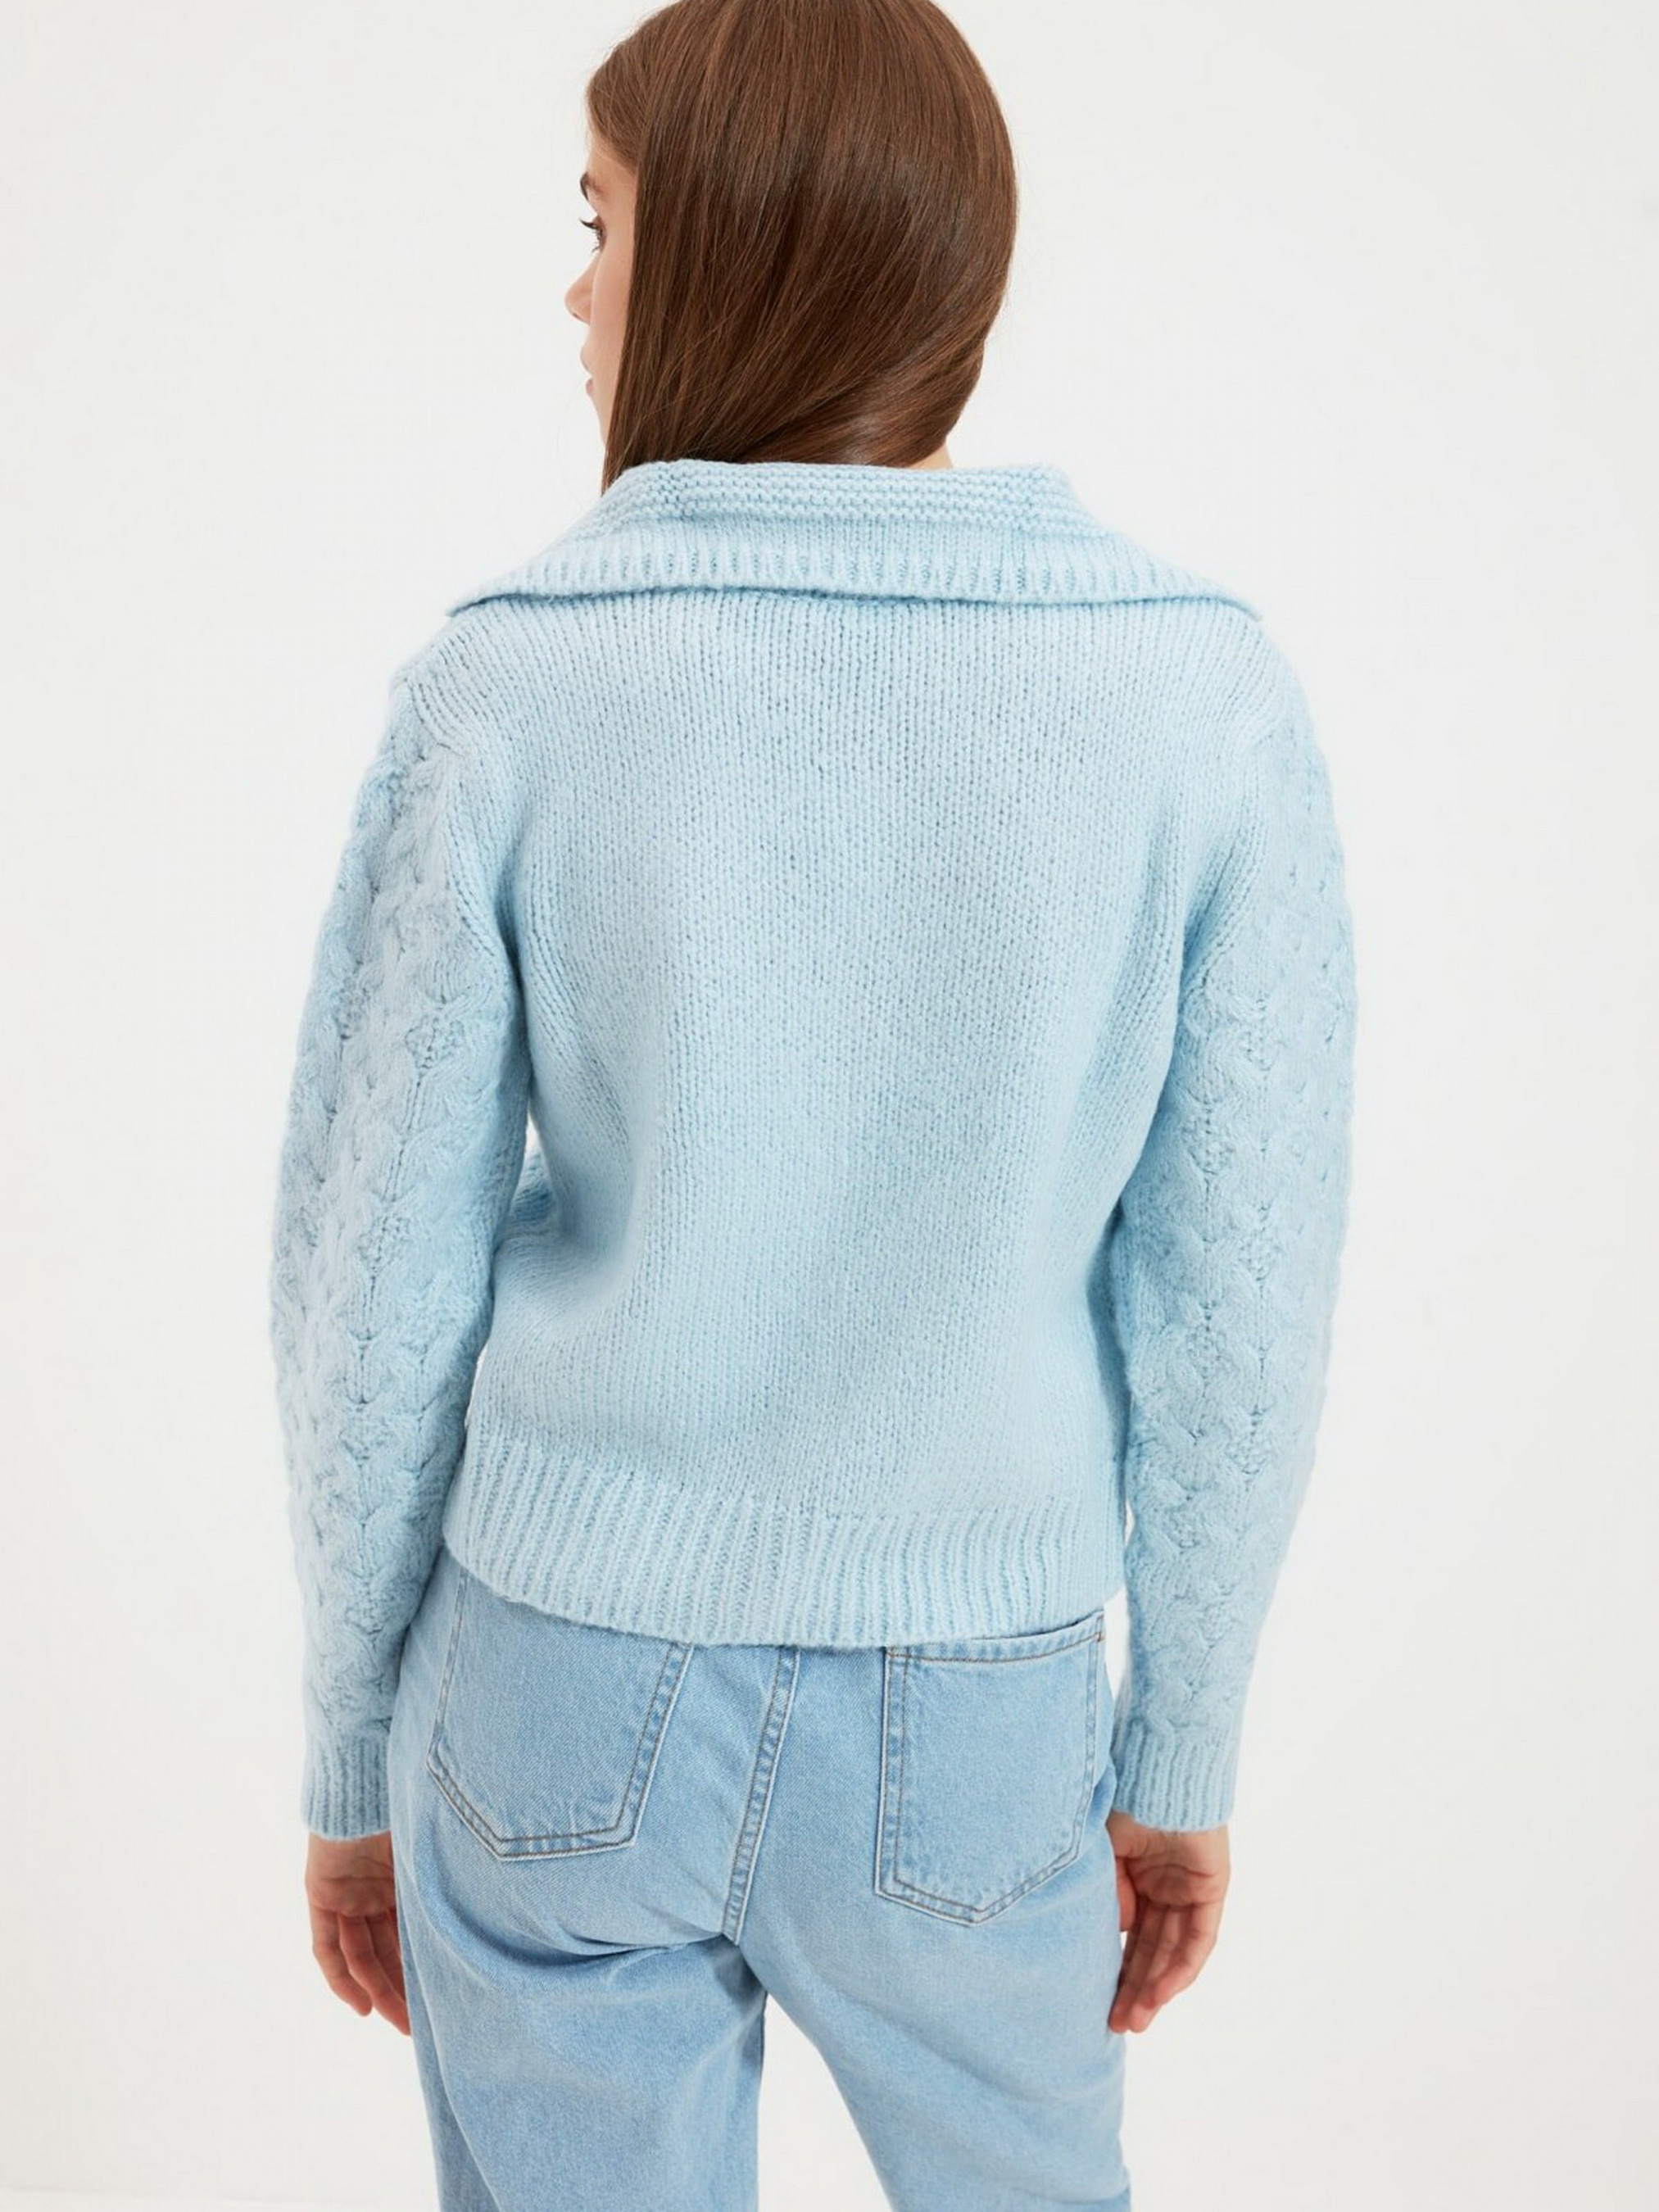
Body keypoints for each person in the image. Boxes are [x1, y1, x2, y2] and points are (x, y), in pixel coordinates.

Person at [267, 2, 1358, 2205]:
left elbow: (365, 1278)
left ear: (736, 255)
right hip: (977, 1708)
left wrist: (354, 1747)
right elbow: (1238, 1298)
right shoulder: (1197, 696)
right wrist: (1179, 1743)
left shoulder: (511, 678)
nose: (575, 292)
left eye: (602, 226)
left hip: (556, 1684)